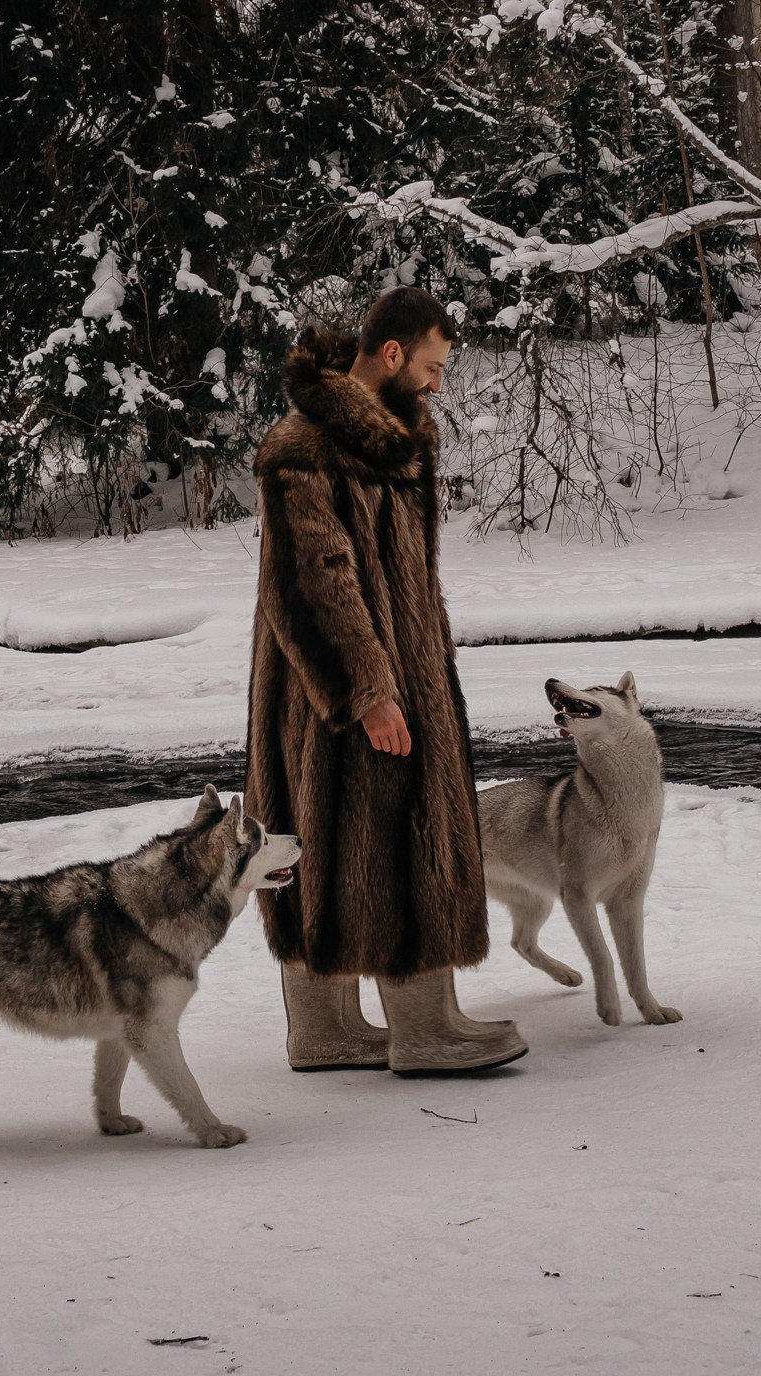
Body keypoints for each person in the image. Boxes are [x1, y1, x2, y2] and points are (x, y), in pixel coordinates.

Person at [243, 287, 526, 1075]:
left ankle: (328, 1031)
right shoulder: (305, 446)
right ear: (393, 353)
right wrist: (368, 690)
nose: (439, 383)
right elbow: (313, 578)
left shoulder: (391, 445)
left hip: (390, 672)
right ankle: (425, 1029)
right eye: (433, 366)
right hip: (340, 687)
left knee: (330, 834)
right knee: (396, 827)